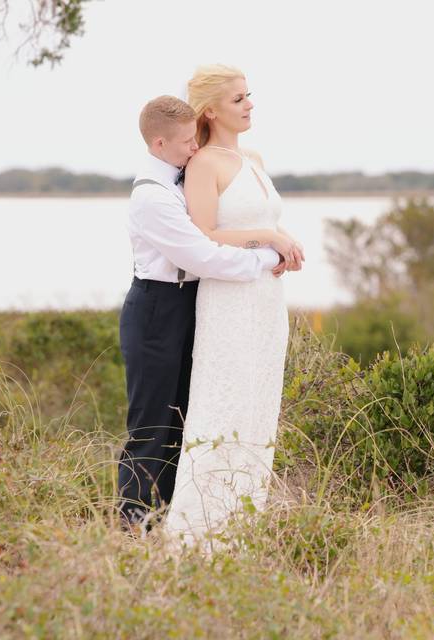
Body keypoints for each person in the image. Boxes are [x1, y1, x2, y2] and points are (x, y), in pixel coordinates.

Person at [117, 95, 290, 532]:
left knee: (183, 422)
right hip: (157, 308)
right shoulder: (152, 198)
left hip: (188, 304)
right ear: (158, 143)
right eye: (185, 142)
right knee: (151, 427)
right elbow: (204, 257)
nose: (194, 148)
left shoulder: (182, 176)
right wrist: (268, 259)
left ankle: (175, 521)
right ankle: (133, 530)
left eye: (196, 138)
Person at [163, 65, 303, 549]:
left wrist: (282, 244)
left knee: (259, 408)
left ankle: (242, 530)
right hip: (227, 301)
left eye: (249, 96)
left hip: (266, 300)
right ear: (211, 111)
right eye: (238, 99)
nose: (249, 105)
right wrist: (266, 236)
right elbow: (202, 236)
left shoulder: (255, 157)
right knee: (223, 405)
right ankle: (196, 538)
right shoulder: (203, 164)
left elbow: (261, 220)